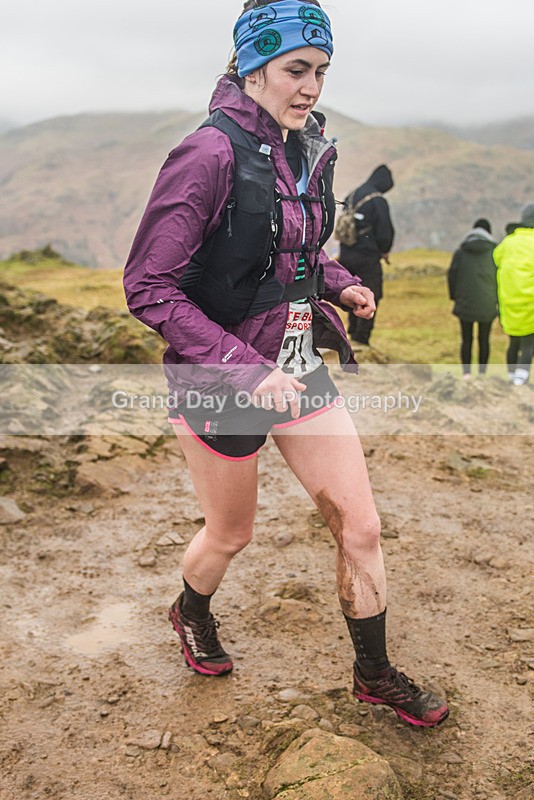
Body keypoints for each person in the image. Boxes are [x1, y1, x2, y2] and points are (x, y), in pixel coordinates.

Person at [123, 0, 448, 728]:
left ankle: (374, 673)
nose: (311, 87)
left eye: (322, 71)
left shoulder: (306, 147)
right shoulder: (207, 154)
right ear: (252, 67)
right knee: (231, 534)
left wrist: (340, 282)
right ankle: (191, 610)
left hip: (297, 369)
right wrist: (245, 368)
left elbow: (293, 251)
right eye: (297, 69)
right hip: (220, 383)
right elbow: (148, 285)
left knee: (360, 527)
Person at [336, 165, 395, 346]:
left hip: (346, 254)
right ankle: (362, 338)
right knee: (370, 295)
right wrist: (384, 250)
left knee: (353, 292)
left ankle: (352, 331)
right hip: (367, 257)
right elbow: (385, 231)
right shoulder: (377, 200)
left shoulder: (353, 194)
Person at [447, 218, 498, 378]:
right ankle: (482, 374)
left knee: (466, 339)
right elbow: (500, 276)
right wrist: (497, 298)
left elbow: (452, 275)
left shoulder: (461, 252)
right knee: (484, 339)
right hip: (488, 301)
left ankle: (466, 374)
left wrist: (455, 296)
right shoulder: (494, 252)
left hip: (465, 301)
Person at [493, 203, 534, 385]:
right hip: (531, 303)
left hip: (509, 301)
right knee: (529, 343)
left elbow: (496, 258)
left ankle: (511, 376)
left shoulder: (508, 243)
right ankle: (520, 380)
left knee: (514, 341)